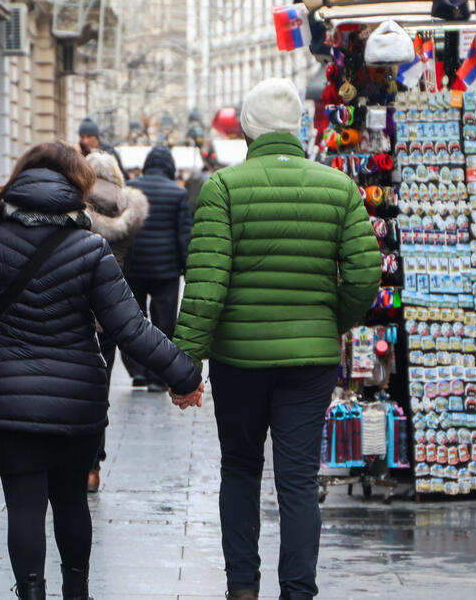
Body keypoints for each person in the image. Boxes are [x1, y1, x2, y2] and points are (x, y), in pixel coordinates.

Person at [0, 142, 202, 600]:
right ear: (76, 187)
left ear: (18, 183)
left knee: (23, 505)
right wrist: (185, 376)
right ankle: (77, 593)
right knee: (71, 501)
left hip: (7, 399)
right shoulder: (91, 250)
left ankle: (32, 593)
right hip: (75, 400)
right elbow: (131, 327)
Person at [172, 78, 381, 600]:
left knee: (240, 469)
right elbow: (363, 276)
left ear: (248, 129)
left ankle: (242, 588)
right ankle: (298, 591)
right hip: (309, 362)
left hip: (238, 360)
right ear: (296, 129)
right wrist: (331, 322)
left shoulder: (223, 188)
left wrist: (183, 365)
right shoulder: (339, 189)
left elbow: (206, 285)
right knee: (297, 478)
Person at [83, 151, 149, 493]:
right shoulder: (129, 208)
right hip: (107, 317)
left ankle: (73, 462)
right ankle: (93, 466)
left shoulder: (73, 203)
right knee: (100, 388)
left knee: (70, 388)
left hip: (75, 314)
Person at [123, 145, 192, 391]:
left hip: (135, 267)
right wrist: (187, 267)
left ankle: (138, 371)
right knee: (164, 323)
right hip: (166, 270)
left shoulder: (131, 188)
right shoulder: (177, 192)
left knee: (134, 320)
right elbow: (184, 235)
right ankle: (159, 375)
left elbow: (125, 228)